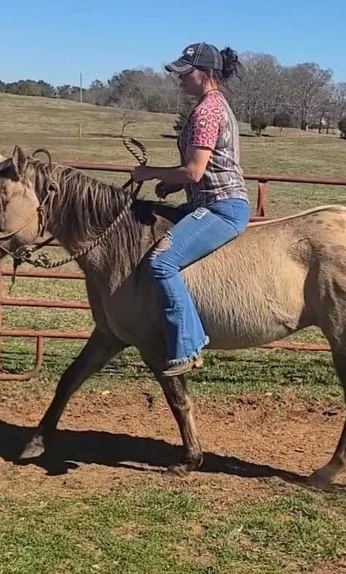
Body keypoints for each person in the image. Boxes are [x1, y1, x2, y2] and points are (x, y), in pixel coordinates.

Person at [131, 42, 251, 377]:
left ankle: (188, 345)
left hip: (220, 207)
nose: (180, 79)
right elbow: (199, 169)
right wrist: (174, 183)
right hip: (208, 200)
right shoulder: (212, 106)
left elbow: (195, 171)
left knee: (162, 261)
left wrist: (151, 172)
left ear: (205, 73)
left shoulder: (207, 111)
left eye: (186, 73)